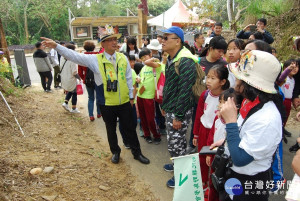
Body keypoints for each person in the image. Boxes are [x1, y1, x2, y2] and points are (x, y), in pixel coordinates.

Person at [41, 25, 150, 165]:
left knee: (130, 129)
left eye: (115, 39)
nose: (114, 42)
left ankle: (137, 153)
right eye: (109, 40)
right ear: (103, 44)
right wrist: (56, 46)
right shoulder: (95, 60)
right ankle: (115, 152)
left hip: (124, 102)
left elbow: (129, 78)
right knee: (111, 130)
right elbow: (74, 56)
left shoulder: (123, 58)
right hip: (106, 103)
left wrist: (131, 97)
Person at [220, 50, 283, 200]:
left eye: (239, 76)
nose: (235, 78)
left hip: (250, 181)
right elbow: (243, 134)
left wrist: (230, 122)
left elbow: (241, 159)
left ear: (248, 83)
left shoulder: (266, 119)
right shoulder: (251, 102)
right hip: (236, 175)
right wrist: (225, 142)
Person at [159, 26, 197, 188]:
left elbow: (185, 90)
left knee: (177, 144)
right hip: (171, 107)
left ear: (178, 41)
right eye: (163, 37)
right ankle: (176, 164)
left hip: (179, 111)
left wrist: (179, 117)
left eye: (167, 37)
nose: (163, 40)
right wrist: (165, 105)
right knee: (173, 142)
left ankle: (181, 175)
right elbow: (170, 85)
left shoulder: (186, 61)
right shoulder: (172, 58)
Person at [193, 65, 230, 190]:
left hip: (217, 134)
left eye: (213, 78)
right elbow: (199, 115)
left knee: (215, 161)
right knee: (202, 158)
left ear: (223, 81)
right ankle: (203, 182)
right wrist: (195, 134)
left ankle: (212, 185)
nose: (208, 81)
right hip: (204, 130)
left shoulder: (228, 98)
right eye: (207, 77)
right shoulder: (205, 94)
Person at [206, 88, 237, 201]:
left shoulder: (236, 124)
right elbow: (211, 136)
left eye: (224, 102)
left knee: (223, 186)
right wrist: (209, 153)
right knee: (213, 181)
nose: (220, 105)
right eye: (220, 102)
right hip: (216, 156)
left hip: (228, 161)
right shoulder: (217, 118)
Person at [136, 48, 163, 144]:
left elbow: (148, 62)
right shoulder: (143, 68)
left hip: (150, 97)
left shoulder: (157, 65)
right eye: (141, 58)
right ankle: (147, 135)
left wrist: (151, 59)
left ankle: (156, 135)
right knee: (142, 118)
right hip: (140, 95)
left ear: (150, 54)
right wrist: (138, 79)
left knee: (151, 119)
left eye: (145, 56)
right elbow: (139, 76)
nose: (143, 59)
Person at [78, 40, 102, 121]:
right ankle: (99, 113)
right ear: (93, 47)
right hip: (98, 80)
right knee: (99, 97)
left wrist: (84, 78)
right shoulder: (98, 56)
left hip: (88, 80)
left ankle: (91, 115)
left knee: (91, 98)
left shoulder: (82, 57)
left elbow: (80, 72)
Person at [60, 44, 81, 113]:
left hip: (64, 77)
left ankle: (65, 103)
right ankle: (74, 108)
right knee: (74, 93)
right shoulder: (72, 60)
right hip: (71, 79)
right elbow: (74, 72)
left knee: (70, 91)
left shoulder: (62, 57)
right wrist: (79, 78)